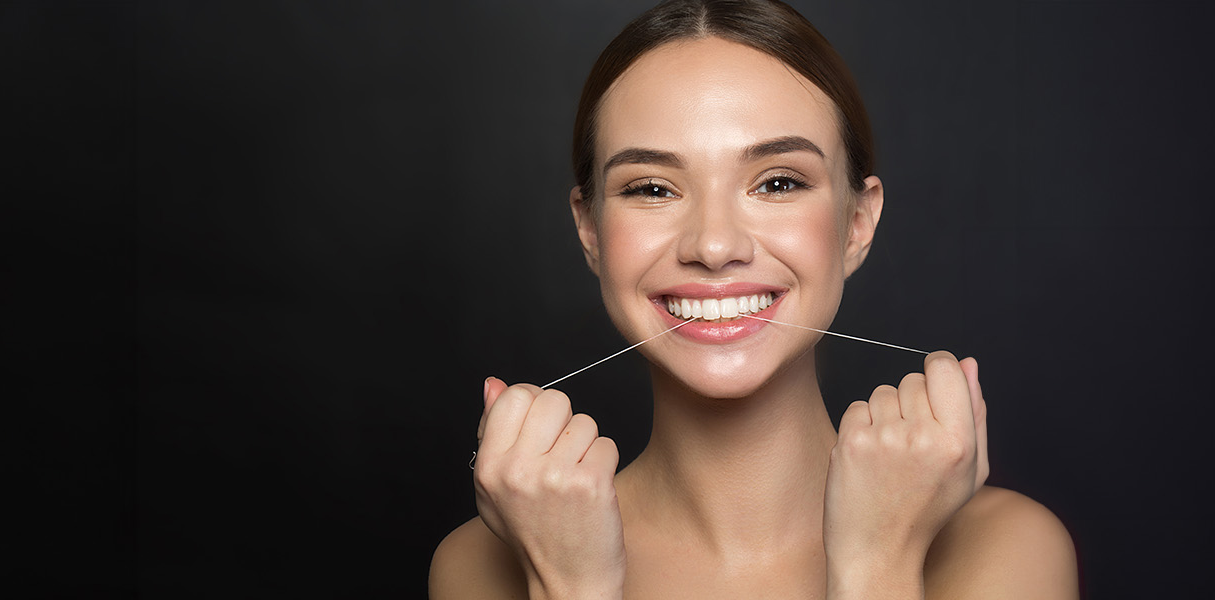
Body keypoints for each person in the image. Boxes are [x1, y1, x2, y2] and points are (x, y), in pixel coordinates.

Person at [431, 1, 1078, 597]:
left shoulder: (1007, 552)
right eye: (653, 189)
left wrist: (878, 562)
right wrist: (567, 584)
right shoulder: (480, 567)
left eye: (776, 182)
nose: (714, 246)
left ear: (858, 222)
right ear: (590, 230)